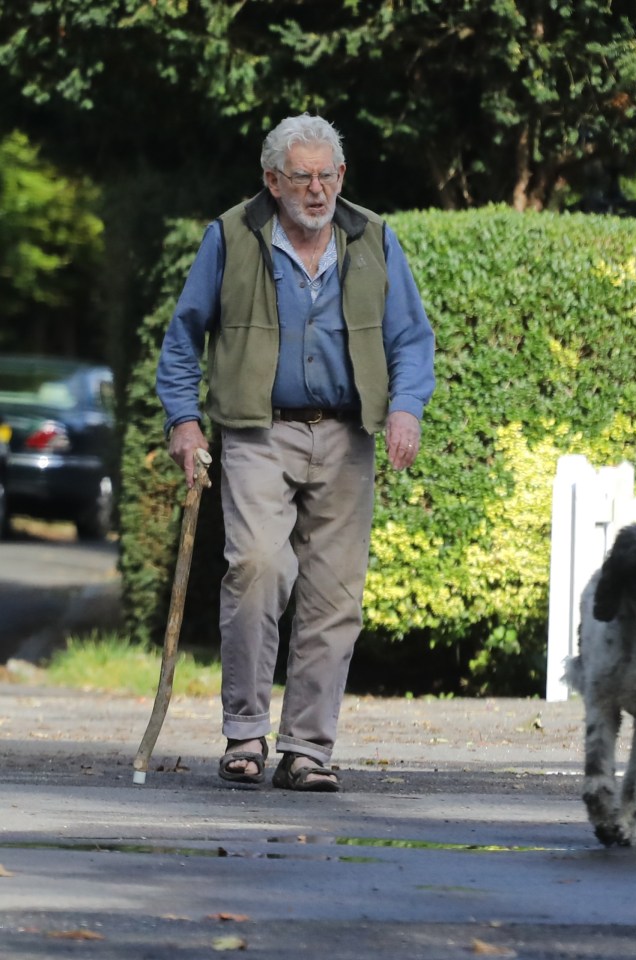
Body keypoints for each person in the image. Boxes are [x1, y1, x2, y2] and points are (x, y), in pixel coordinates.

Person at [156, 113, 435, 792]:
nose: (317, 191)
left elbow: (411, 339)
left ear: (342, 176)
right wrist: (184, 422)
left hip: (347, 433)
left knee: (335, 596)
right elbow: (183, 336)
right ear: (272, 180)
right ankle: (245, 731)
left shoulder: (372, 237)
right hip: (257, 430)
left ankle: (309, 747)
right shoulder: (230, 236)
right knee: (256, 568)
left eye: (327, 176)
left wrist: (405, 407)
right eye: (301, 177)